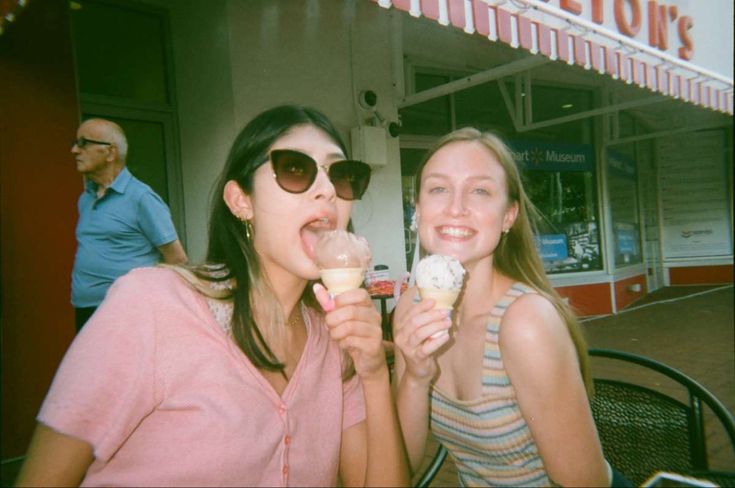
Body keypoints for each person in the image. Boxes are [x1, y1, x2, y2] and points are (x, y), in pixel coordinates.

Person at [16, 105, 409, 487]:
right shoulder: (152, 306)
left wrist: (374, 372)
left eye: (341, 175)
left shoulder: (334, 338)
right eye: (295, 168)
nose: (327, 191)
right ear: (241, 201)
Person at [392, 128, 622, 486]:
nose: (456, 207)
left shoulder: (526, 322)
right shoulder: (411, 305)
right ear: (418, 209)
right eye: (438, 188)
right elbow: (399, 466)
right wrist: (415, 379)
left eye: (480, 191)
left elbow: (585, 481)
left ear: (508, 216)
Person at [70, 118, 187, 331]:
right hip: (85, 310)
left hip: (124, 310)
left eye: (83, 143)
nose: (74, 150)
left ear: (110, 152)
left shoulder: (141, 198)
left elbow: (177, 258)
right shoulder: (86, 198)